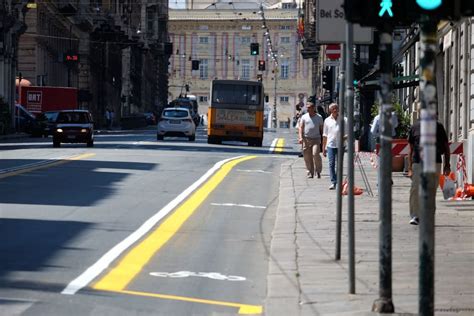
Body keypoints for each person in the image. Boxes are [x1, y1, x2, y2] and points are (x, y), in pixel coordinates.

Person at [407, 112, 450, 225]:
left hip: (434, 162)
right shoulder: (415, 127)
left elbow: (446, 147)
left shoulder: (438, 127)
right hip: (417, 162)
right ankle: (415, 215)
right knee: (415, 189)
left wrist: (447, 165)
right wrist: (410, 168)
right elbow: (410, 149)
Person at [322, 103, 347, 190]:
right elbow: (325, 135)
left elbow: (348, 133)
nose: (335, 110)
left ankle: (339, 182)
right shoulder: (327, 120)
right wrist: (323, 149)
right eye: (333, 108)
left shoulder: (344, 120)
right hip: (330, 144)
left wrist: (344, 138)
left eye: (336, 108)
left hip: (341, 145)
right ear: (330, 110)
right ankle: (333, 182)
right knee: (331, 163)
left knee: (339, 164)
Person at [298, 101, 324, 178]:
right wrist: (300, 137)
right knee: (307, 156)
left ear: (313, 108)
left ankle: (318, 171)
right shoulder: (304, 117)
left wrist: (323, 140)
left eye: (309, 108)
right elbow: (301, 128)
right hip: (306, 139)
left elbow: (322, 129)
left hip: (316, 139)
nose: (308, 109)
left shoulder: (319, 117)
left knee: (315, 154)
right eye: (307, 108)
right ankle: (310, 172)